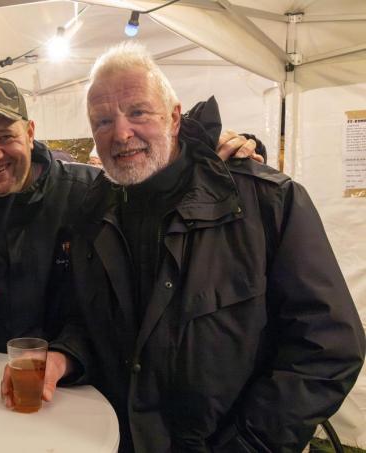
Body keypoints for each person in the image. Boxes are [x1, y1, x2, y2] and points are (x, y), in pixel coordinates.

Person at [18, 42, 366, 452]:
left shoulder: (265, 201)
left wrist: (249, 444)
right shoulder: (94, 213)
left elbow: (328, 345)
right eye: (103, 120)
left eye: (138, 112)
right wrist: (66, 356)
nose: (121, 133)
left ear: (174, 117)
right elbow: (94, 322)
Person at [0, 76, 259, 358]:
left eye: (5, 136)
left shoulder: (93, 193)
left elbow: (164, 200)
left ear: (29, 133)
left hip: (81, 389)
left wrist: (208, 155)